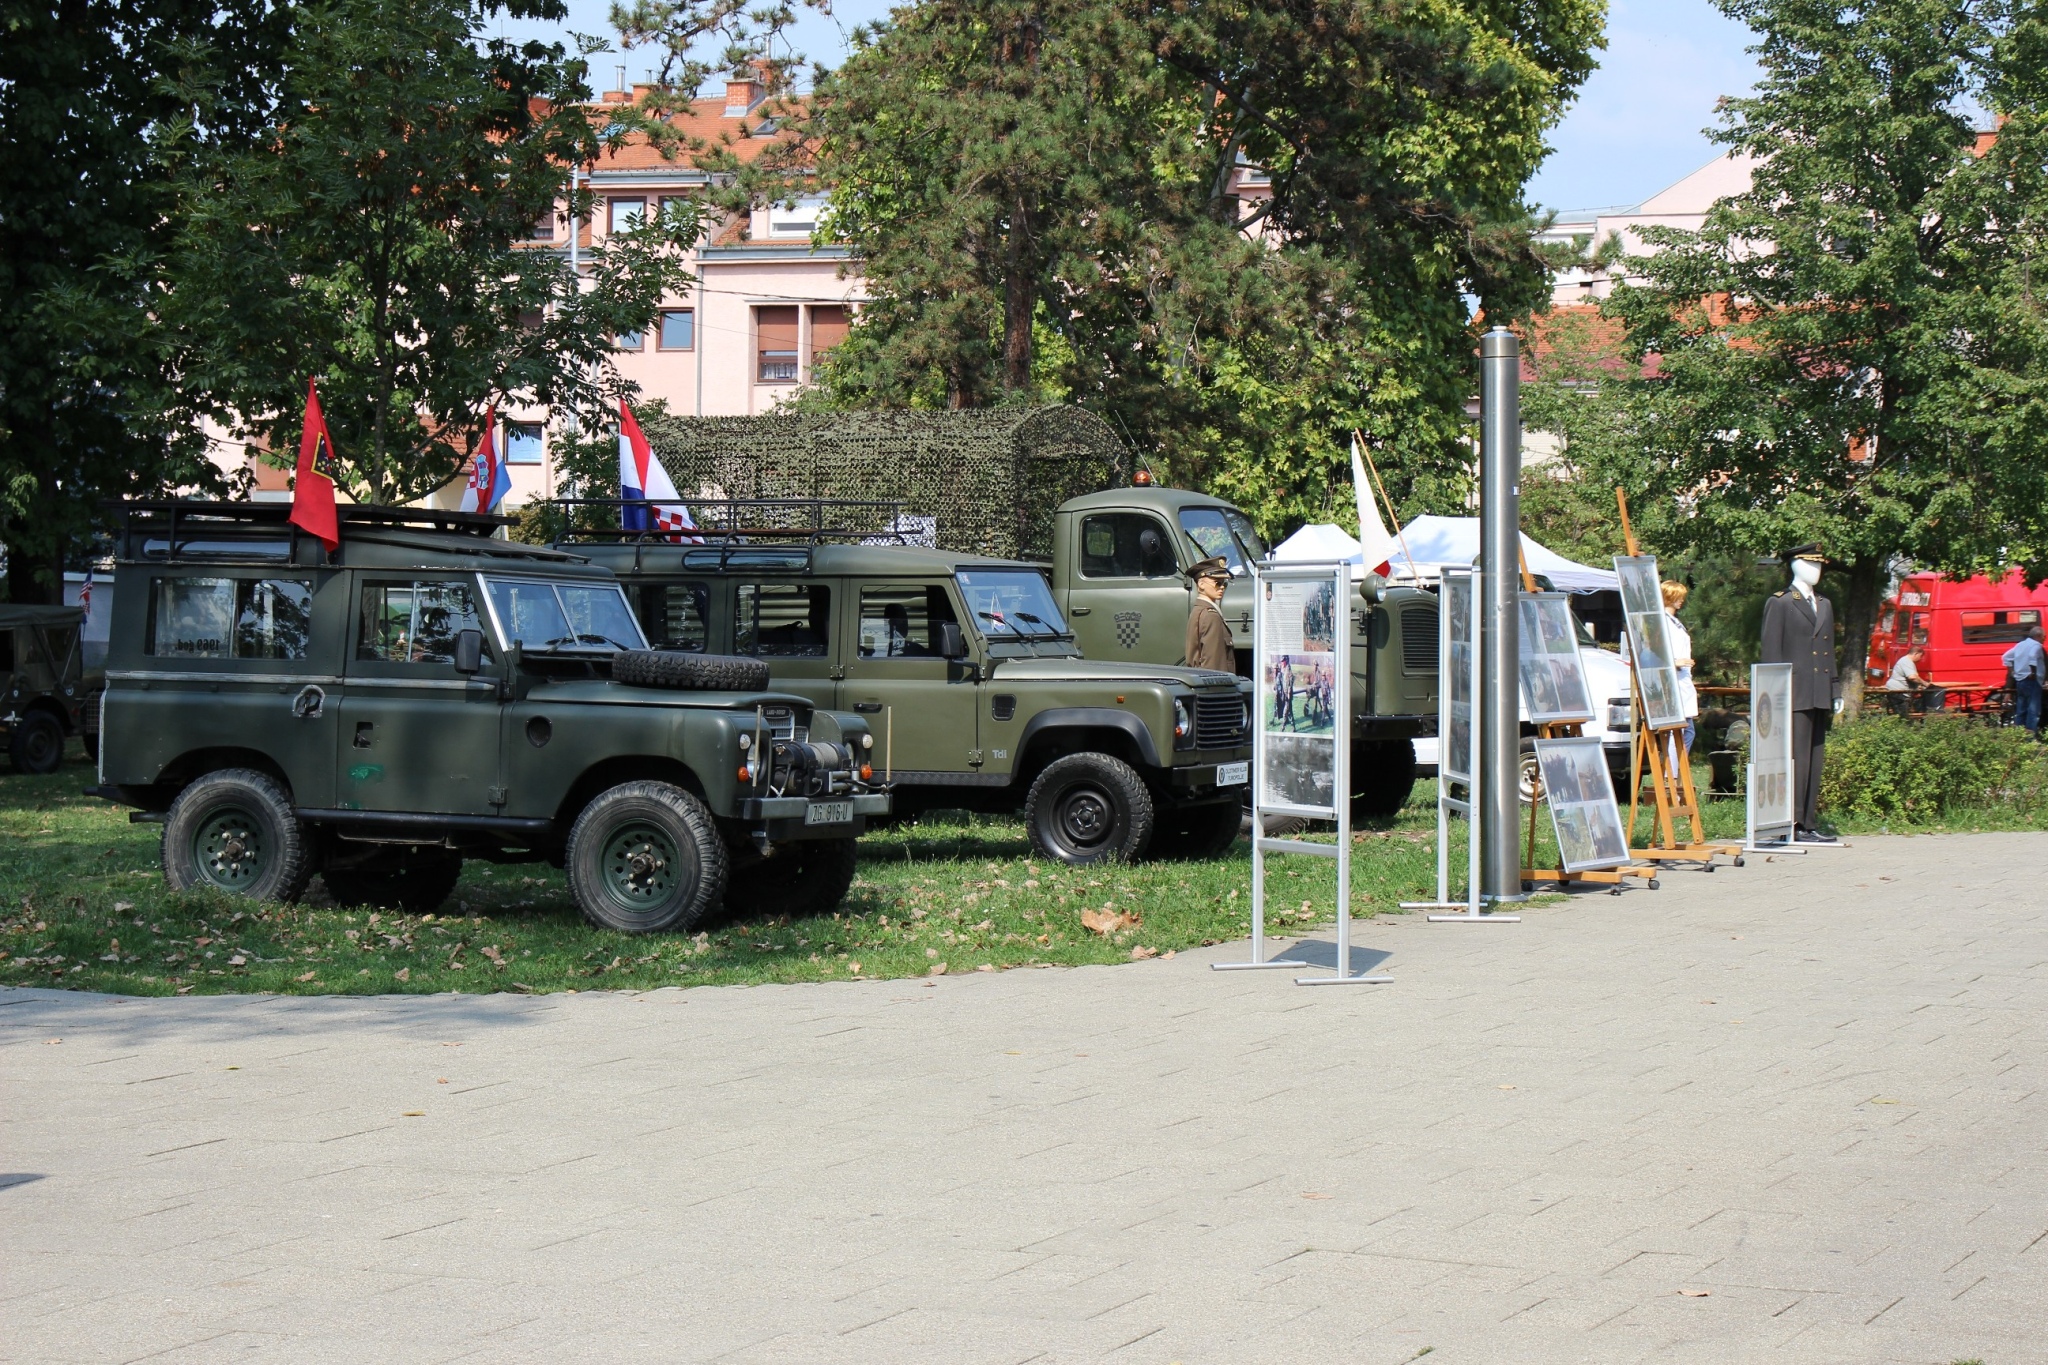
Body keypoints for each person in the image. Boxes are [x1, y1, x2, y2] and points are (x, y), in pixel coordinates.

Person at [1660, 580, 1699, 755]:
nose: (1681, 600)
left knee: (1686, 731)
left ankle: (1675, 768)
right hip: (1673, 681)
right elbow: (1656, 651)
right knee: (1682, 731)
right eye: (1677, 596)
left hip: (1682, 679)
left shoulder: (1674, 621)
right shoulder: (1663, 622)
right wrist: (1675, 662)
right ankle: (1673, 769)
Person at [1182, 555, 1234, 672]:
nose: (1222, 587)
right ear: (1201, 585)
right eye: (1217, 583)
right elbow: (1214, 664)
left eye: (1224, 584)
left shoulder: (1199, 611)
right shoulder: (1210, 616)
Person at [2004, 625, 2045, 737]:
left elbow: (2006, 657)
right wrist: (2033, 672)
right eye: (2044, 637)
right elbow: (2032, 656)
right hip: (2032, 681)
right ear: (2038, 636)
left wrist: (2012, 672)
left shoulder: (2020, 645)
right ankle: (2030, 738)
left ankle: (2018, 736)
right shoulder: (2036, 645)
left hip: (2020, 681)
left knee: (2021, 710)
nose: (2044, 640)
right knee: (2033, 711)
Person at [1883, 645, 1945, 714]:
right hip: (1898, 691)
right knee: (1902, 714)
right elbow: (1913, 677)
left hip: (1896, 690)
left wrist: (1917, 686)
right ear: (1916, 654)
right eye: (1920, 656)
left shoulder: (1905, 661)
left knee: (1900, 713)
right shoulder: (1907, 661)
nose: (1920, 659)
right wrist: (1925, 684)